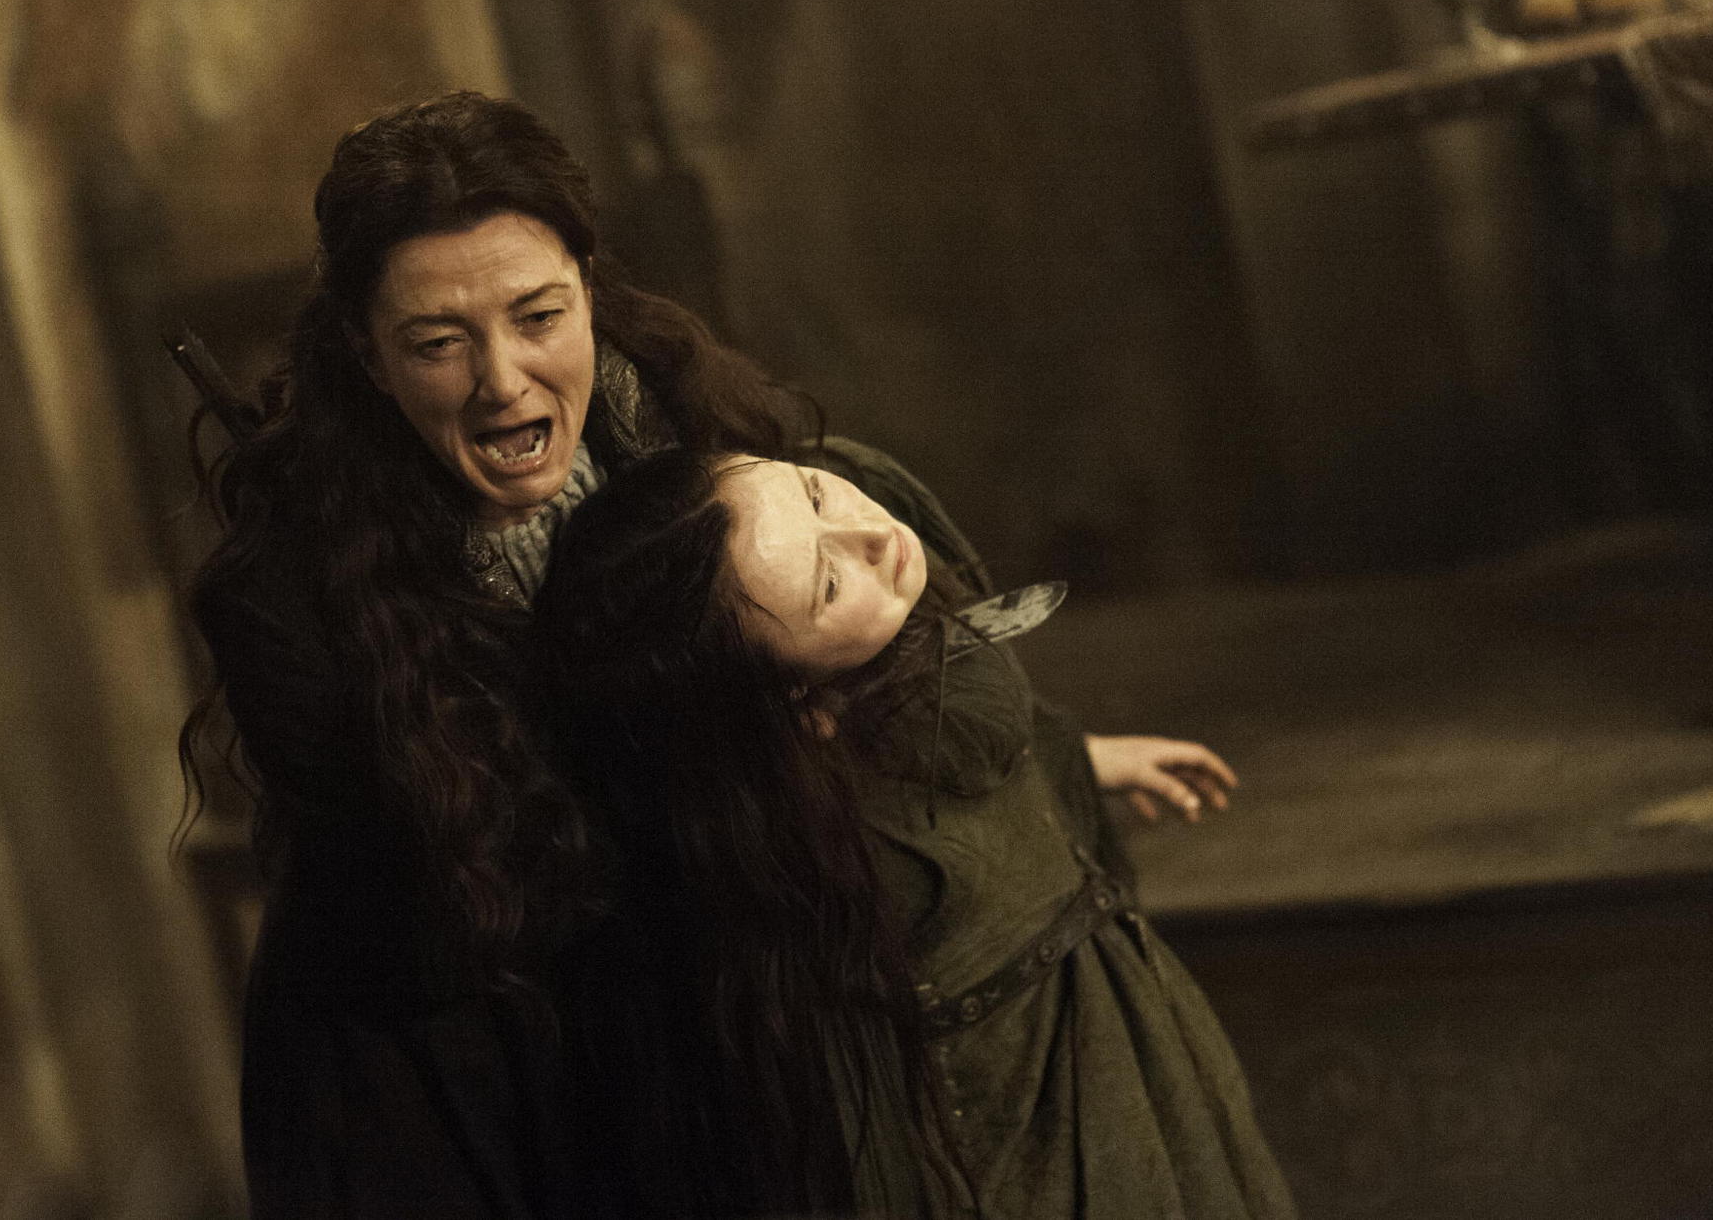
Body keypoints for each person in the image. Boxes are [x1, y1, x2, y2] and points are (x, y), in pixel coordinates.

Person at [180, 92, 811, 1219]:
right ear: (368, 357)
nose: (504, 379)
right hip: (444, 1083)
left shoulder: (689, 434)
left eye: (538, 316)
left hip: (693, 1035)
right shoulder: (287, 599)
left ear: (587, 289)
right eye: (437, 343)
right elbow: (449, 920)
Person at [532, 446, 1296, 1219]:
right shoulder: (818, 858)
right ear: (790, 702)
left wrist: (1085, 758)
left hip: (1119, 1023)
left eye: (815, 495)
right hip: (1021, 1113)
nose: (870, 537)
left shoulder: (880, 654)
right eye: (829, 585)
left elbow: (988, 779)